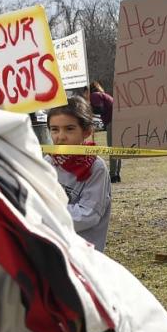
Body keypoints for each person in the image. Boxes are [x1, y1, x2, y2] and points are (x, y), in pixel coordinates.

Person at [47, 96, 112, 252]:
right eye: (54, 129)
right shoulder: (47, 162)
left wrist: (45, 214)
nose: (60, 136)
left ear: (87, 131)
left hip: (84, 253)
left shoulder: (96, 168)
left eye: (69, 129)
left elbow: (88, 215)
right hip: (53, 248)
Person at [88, 80, 121, 183]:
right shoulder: (103, 94)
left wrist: (87, 109)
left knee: (112, 149)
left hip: (112, 122)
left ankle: (112, 175)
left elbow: (99, 109)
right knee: (117, 149)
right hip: (118, 121)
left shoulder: (94, 95)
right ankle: (116, 174)